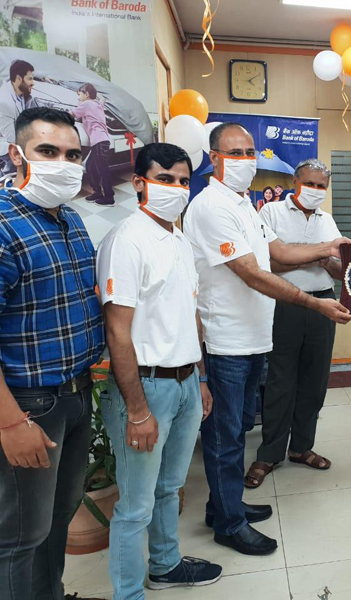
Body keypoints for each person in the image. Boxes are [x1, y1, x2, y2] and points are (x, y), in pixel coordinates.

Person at [183, 122, 351, 556]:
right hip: (226, 340)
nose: (245, 160)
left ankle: (224, 505)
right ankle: (228, 523)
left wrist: (334, 259)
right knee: (226, 437)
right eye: (234, 152)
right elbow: (254, 273)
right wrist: (314, 303)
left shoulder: (242, 203)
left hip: (253, 336)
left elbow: (276, 254)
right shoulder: (210, 207)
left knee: (239, 428)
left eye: (249, 151)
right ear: (214, 157)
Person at [97, 143, 222, 599]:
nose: (175, 189)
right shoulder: (126, 240)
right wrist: (136, 410)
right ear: (139, 184)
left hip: (186, 382)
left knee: (170, 489)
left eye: (183, 181)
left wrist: (201, 378)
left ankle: (166, 565)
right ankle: (128, 593)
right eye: (164, 179)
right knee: (134, 506)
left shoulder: (179, 238)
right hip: (145, 388)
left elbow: (190, 315)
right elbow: (118, 333)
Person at [0, 107, 105, 599]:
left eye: (73, 154)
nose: (63, 163)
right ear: (17, 154)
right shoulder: (3, 226)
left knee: (57, 518)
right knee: (19, 538)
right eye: (48, 151)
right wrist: (9, 424)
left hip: (76, 395)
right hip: (27, 404)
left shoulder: (73, 220)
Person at [245, 159, 342, 489]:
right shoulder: (270, 213)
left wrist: (309, 256)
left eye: (321, 186)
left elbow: (340, 269)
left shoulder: (328, 221)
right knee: (279, 382)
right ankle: (269, 453)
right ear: (296, 182)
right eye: (310, 183)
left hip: (323, 304)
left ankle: (302, 448)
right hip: (283, 304)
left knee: (314, 382)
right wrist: (315, 255)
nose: (316, 191)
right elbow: (268, 263)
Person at [71, 83, 114, 206]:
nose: (78, 97)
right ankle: (97, 192)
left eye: (80, 94)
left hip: (98, 141)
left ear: (87, 94)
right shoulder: (97, 104)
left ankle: (109, 197)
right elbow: (102, 99)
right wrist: (94, 93)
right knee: (90, 166)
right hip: (102, 141)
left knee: (102, 169)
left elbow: (72, 114)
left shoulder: (87, 104)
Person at [0, 60, 40, 175]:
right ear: (18, 78)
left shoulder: (20, 91)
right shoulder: (4, 101)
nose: (33, 83)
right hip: (5, 144)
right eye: (30, 79)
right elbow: (12, 138)